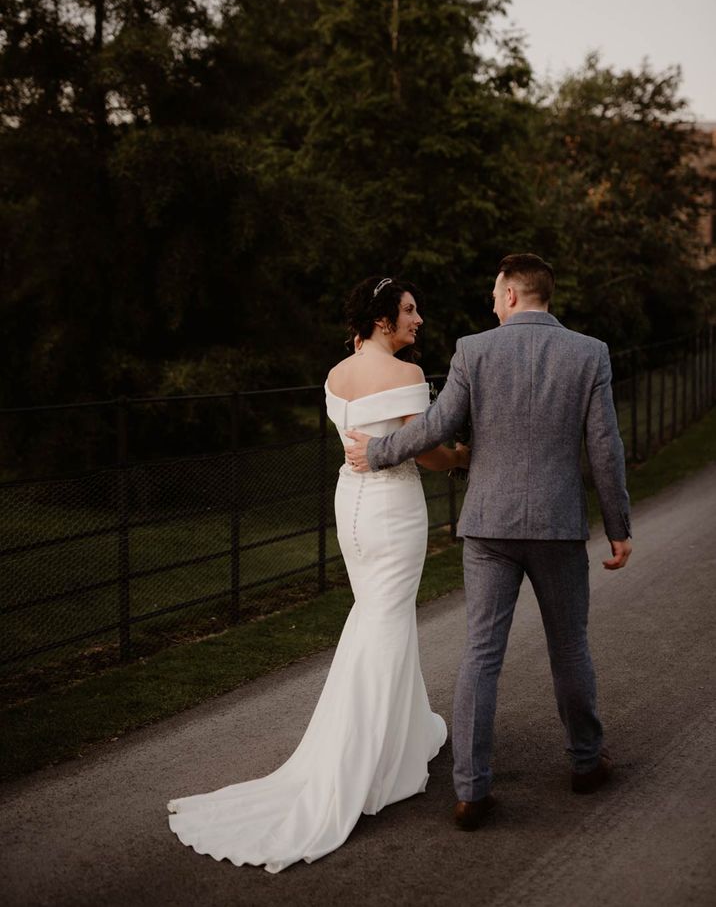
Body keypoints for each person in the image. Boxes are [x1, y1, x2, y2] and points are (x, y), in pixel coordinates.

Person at [167, 275, 468, 871]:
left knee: (377, 617)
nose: (419, 320)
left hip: (350, 509)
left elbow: (359, 438)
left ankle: (401, 740)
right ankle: (355, 764)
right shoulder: (407, 377)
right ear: (384, 320)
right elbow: (425, 451)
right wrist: (459, 456)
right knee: (384, 623)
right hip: (391, 510)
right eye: (410, 311)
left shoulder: (335, 375)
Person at [346, 253, 632, 832]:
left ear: (510, 295)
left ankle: (471, 791)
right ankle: (584, 761)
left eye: (494, 293)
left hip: (487, 526)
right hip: (556, 526)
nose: (491, 302)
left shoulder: (474, 350)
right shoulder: (589, 353)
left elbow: (436, 426)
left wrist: (375, 454)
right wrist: (619, 526)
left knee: (481, 653)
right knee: (569, 647)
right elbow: (606, 448)